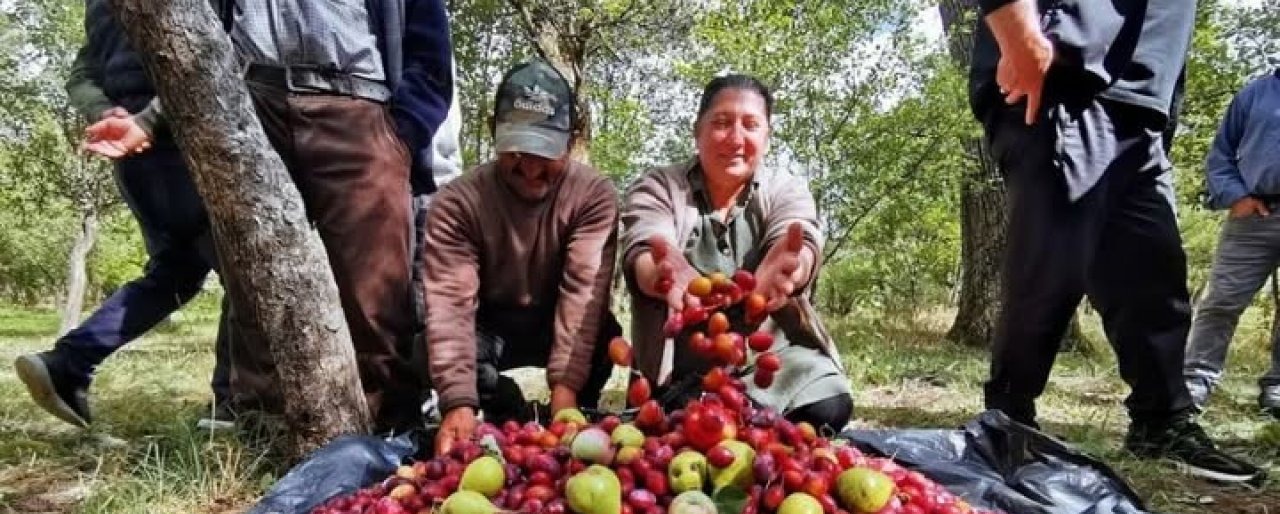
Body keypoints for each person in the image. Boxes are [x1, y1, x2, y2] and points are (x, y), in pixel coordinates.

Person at [87, 0, 454, 433]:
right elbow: (204, 43)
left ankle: (390, 433)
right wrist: (149, 121)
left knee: (374, 294)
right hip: (252, 103)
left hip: (358, 106)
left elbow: (430, 50)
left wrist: (402, 134)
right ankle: (263, 429)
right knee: (253, 282)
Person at [970, 0, 1263, 483]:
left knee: (1153, 273)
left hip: (1144, 106)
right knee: (1048, 265)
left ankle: (1161, 422)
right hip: (1060, 78)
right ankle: (1008, 420)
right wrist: (1017, 32)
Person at [14, 0, 232, 430]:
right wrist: (148, 120)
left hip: (133, 154)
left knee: (175, 272)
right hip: (177, 145)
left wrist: (103, 111)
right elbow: (214, 58)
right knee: (240, 273)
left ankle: (68, 363)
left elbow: (81, 74)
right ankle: (235, 403)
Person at [620, 74, 853, 433]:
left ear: (766, 137)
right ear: (697, 131)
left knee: (829, 405)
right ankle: (720, 415)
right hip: (687, 373)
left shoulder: (784, 188)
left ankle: (745, 417)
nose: (735, 139)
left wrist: (795, 265)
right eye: (721, 123)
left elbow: (799, 235)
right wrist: (659, 272)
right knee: (683, 428)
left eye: (751, 125)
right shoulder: (659, 185)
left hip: (772, 363)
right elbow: (645, 240)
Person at [424, 60, 621, 455]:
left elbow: (583, 293)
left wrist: (564, 398)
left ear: (571, 139)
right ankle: (502, 407)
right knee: (424, 350)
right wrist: (458, 402)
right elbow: (450, 304)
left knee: (603, 338)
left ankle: (572, 406)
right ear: (492, 128)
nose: (530, 168)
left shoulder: (594, 197)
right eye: (516, 150)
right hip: (489, 323)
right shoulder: (457, 203)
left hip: (558, 318)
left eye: (545, 152)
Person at [1184, 69, 1280, 416]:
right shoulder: (1255, 93)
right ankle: (1195, 380)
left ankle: (1277, 386)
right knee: (1222, 300)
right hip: (1255, 213)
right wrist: (1236, 196)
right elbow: (1221, 153)